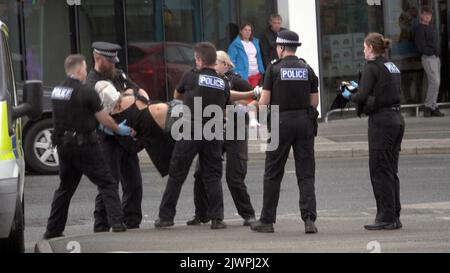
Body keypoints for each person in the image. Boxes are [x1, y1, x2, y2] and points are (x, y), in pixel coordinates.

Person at [43, 55, 133, 239]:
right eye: (84, 69)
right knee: (107, 182)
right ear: (78, 70)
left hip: (64, 146)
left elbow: (69, 115)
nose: (86, 72)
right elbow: (104, 118)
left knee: (65, 189)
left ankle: (53, 230)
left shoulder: (57, 91)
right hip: (85, 146)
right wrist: (117, 129)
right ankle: (117, 223)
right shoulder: (86, 92)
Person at [154, 42, 231, 230]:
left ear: (198, 59)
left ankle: (166, 217)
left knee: (177, 175)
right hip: (213, 132)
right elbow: (225, 103)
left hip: (190, 131)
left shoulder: (191, 76)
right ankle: (217, 218)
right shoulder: (223, 82)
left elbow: (177, 94)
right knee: (213, 175)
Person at [251, 30, 320, 234]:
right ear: (295, 47)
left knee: (272, 172)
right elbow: (314, 102)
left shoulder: (273, 69)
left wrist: (261, 122)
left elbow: (264, 102)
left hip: (280, 122)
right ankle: (309, 220)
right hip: (304, 123)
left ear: (281, 47)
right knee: (306, 173)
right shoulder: (307, 69)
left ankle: (267, 221)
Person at [342, 33, 405, 230]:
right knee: (391, 169)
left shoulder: (371, 67)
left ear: (370, 47)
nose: (362, 50)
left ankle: (386, 217)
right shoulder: (391, 65)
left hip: (382, 122)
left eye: (363, 47)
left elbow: (362, 96)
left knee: (379, 170)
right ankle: (394, 215)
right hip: (397, 119)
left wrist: (347, 93)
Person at [187, 51, 257, 227]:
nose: (213, 65)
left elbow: (256, 98)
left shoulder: (237, 81)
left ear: (226, 65)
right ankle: (201, 215)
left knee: (234, 177)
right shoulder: (205, 80)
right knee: (200, 173)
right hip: (212, 130)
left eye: (217, 62)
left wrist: (237, 109)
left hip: (236, 130)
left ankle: (248, 214)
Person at [85, 42, 144, 232]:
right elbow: (94, 113)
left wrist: (139, 97)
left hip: (126, 138)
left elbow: (138, 90)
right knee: (109, 184)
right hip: (107, 139)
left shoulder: (118, 74)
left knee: (134, 182)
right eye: (110, 61)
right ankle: (101, 225)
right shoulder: (92, 82)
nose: (114, 64)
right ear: (99, 60)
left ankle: (132, 221)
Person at [415, 8, 445, 117]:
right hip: (428, 58)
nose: (428, 16)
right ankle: (428, 106)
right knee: (435, 82)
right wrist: (431, 52)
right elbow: (420, 46)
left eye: (430, 15)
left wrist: (437, 53)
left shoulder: (431, 27)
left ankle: (433, 106)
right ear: (421, 15)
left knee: (436, 83)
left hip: (436, 58)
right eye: (425, 14)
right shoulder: (419, 29)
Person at [228, 23, 265, 88]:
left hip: (256, 74)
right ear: (241, 31)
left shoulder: (255, 42)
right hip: (243, 76)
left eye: (249, 30)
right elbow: (231, 61)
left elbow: (259, 57)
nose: (248, 32)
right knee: (247, 96)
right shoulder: (234, 44)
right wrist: (237, 74)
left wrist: (262, 70)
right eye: (245, 30)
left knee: (255, 95)